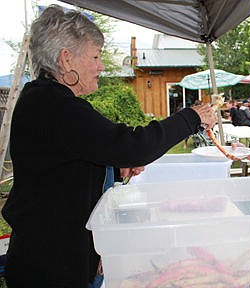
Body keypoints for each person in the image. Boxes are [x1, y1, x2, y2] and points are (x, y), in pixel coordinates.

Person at [1, 5, 217, 288]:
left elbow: (65, 167)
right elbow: (131, 145)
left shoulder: (44, 101)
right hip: (51, 266)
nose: (101, 66)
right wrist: (191, 118)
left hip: (59, 255)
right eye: (95, 56)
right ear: (66, 60)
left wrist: (115, 169)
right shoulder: (54, 106)